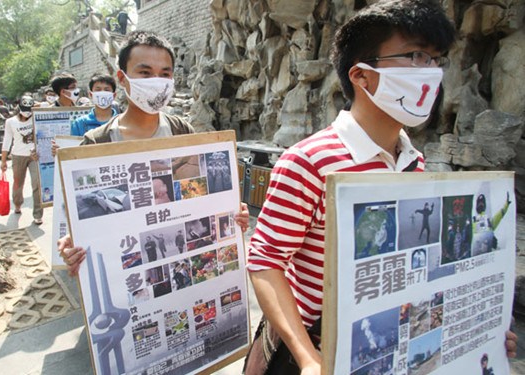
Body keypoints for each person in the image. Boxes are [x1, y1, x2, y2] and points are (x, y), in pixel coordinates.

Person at [244, 1, 517, 374]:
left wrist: (480, 331)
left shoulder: (413, 160)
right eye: (416, 56)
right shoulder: (308, 161)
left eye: (436, 60)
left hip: (380, 352)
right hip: (312, 351)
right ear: (362, 76)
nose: (431, 73)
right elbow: (266, 262)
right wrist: (308, 357)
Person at [57, 30, 250, 275]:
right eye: (145, 73)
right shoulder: (97, 143)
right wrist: (71, 243)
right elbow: (82, 215)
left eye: (165, 74)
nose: (156, 81)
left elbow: (199, 196)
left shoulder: (182, 132)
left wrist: (230, 212)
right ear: (122, 77)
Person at [0, 96, 43, 225]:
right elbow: (7, 141)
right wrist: (3, 161)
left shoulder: (36, 118)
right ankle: (17, 203)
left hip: (34, 156)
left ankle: (38, 214)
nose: (27, 112)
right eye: (25, 109)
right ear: (19, 107)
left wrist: (39, 106)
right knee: (18, 182)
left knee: (37, 184)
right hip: (18, 155)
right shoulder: (11, 122)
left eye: (29, 109)